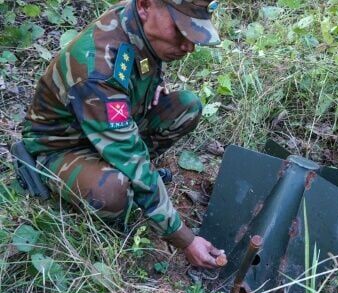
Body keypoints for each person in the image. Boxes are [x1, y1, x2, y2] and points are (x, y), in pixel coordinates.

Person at [20, 0, 223, 269]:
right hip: (62, 146)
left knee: (187, 106)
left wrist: (155, 85)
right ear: (145, 5)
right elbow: (131, 154)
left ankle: (132, 180)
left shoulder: (137, 20)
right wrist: (185, 239)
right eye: (180, 30)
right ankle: (62, 177)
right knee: (113, 191)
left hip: (107, 125)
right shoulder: (97, 69)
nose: (189, 46)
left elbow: (140, 65)